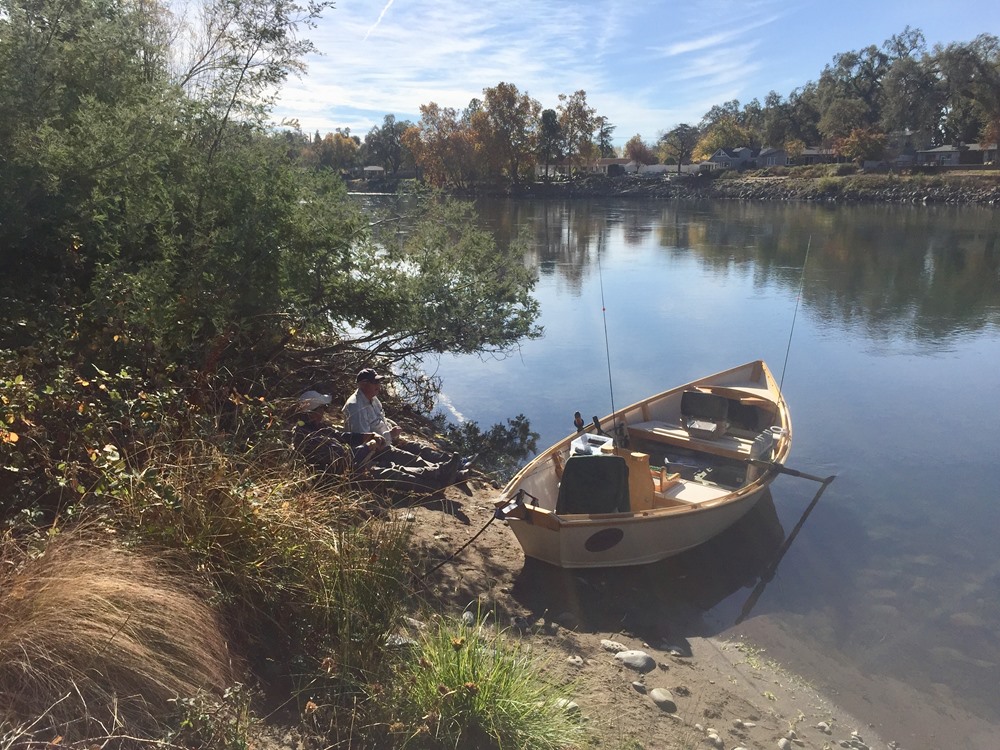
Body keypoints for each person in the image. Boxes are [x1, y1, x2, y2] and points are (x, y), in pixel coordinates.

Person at [293, 390, 459, 492]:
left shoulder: (314, 427)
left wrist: (365, 436)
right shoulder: (309, 437)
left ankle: (438, 473)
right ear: (312, 412)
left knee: (391, 461)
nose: (324, 412)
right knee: (390, 472)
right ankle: (435, 484)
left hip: (351, 464)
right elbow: (346, 457)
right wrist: (369, 446)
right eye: (322, 408)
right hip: (342, 475)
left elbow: (340, 435)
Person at [343, 368, 476, 471]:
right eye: (375, 382)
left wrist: (392, 433)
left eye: (379, 381)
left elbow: (381, 419)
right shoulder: (355, 407)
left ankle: (458, 463)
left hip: (387, 441)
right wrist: (389, 435)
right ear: (363, 384)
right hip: (377, 451)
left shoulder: (373, 399)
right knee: (412, 459)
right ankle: (446, 471)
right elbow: (364, 440)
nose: (379, 385)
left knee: (419, 448)